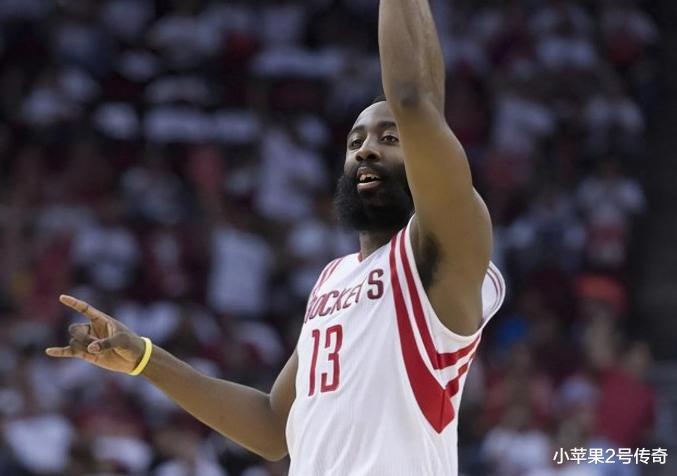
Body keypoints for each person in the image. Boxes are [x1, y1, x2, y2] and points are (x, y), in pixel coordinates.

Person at [46, 1, 505, 474]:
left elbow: (415, 104)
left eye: (389, 138)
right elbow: (270, 428)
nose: (366, 149)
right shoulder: (333, 278)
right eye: (355, 142)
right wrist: (145, 358)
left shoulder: (439, 254)